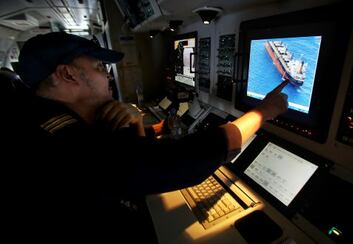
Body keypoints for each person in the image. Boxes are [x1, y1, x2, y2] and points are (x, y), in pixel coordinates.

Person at [6, 32, 288, 241]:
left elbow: (122, 157)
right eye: (99, 68)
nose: (107, 78)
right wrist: (262, 112)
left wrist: (142, 125)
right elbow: (175, 163)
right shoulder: (62, 143)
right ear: (68, 75)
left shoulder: (42, 115)